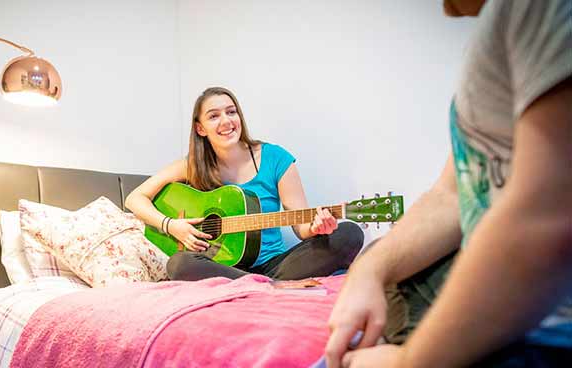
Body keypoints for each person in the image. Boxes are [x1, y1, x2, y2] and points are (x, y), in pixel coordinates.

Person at [325, 0, 571, 367]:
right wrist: (367, 270)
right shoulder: (499, 32)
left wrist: (408, 362)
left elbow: (547, 220)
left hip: (544, 330)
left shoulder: (533, 7)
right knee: (389, 268)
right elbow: (452, 193)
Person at [125, 86, 364, 281]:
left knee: (349, 234)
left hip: (277, 265)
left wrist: (315, 228)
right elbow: (134, 198)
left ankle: (260, 285)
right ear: (200, 128)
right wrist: (170, 225)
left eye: (231, 112)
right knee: (179, 263)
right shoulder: (193, 166)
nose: (226, 121)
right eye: (214, 116)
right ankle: (265, 287)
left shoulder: (276, 158)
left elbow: (301, 228)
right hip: (224, 268)